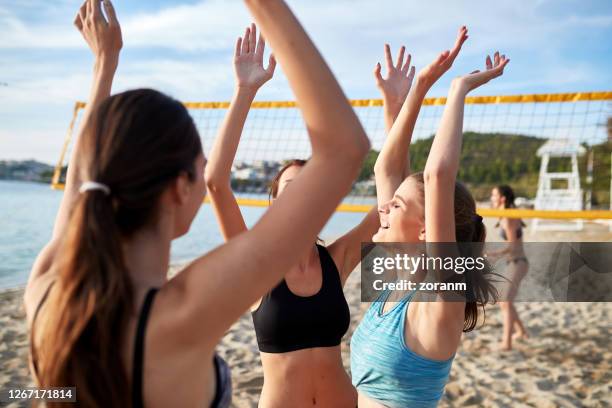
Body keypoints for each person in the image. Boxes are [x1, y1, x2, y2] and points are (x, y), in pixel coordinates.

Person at [23, 0, 370, 407]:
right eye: (200, 169)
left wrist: (104, 66)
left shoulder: (47, 288)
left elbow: (82, 186)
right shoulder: (180, 314)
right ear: (178, 189)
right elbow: (345, 146)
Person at [204, 23, 414, 408]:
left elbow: (396, 192)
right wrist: (244, 91)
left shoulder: (337, 259)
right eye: (290, 189)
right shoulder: (255, 266)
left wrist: (394, 110)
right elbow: (216, 181)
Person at [350, 26, 509, 408]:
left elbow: (438, 176)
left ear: (427, 229)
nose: (383, 208)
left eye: (397, 205)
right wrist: (417, 89)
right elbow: (386, 170)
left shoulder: (441, 296)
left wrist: (457, 90)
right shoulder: (396, 278)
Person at [490, 185, 529, 351]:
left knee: (505, 301)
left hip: (518, 262)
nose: (492, 198)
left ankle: (507, 343)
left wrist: (493, 254)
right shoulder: (506, 214)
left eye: (494, 195)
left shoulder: (508, 217)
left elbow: (512, 247)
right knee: (504, 301)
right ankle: (521, 332)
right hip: (513, 262)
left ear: (502, 198)